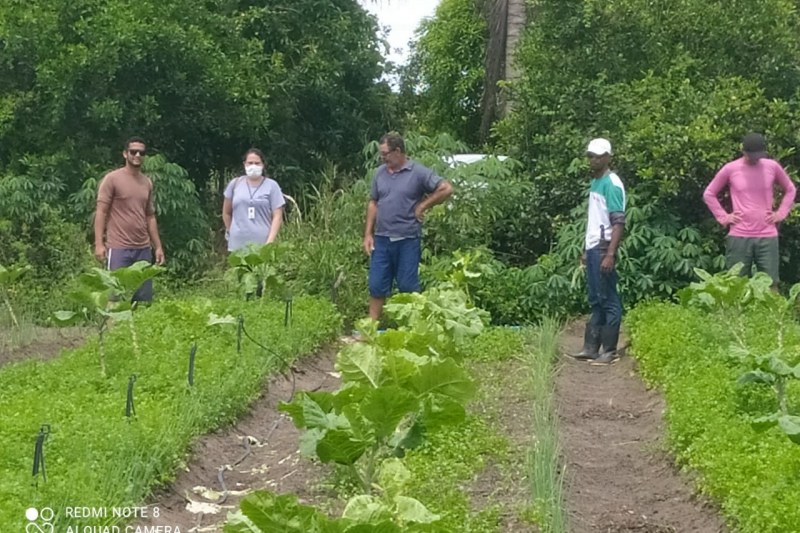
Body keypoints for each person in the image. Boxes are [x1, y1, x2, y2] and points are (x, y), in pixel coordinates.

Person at [363, 133, 454, 320]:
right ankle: (371, 327)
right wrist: (368, 234)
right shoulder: (379, 173)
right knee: (376, 284)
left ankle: (413, 326)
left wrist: (423, 206)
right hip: (381, 239)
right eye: (381, 154)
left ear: (398, 151)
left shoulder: (418, 172)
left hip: (408, 240)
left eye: (385, 154)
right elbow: (373, 202)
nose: (383, 158)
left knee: (407, 286)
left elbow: (446, 188)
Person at [703, 132, 796, 285]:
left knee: (771, 283)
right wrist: (724, 217)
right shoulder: (731, 169)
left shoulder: (772, 166)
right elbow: (709, 193)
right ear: (743, 151)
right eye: (752, 155)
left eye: (758, 155)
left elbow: (790, 189)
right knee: (735, 284)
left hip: (767, 234)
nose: (755, 158)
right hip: (739, 234)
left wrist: (781, 213)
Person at [571, 138, 625, 365]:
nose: (594, 160)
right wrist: (587, 249)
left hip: (604, 247)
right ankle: (591, 347)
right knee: (595, 298)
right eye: (591, 156)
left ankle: (609, 350)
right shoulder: (596, 182)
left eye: (598, 156)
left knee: (609, 299)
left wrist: (610, 254)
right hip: (594, 246)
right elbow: (595, 220)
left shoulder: (611, 184)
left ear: (608, 157)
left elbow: (618, 221)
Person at [94, 137, 165, 302]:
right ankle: (113, 320)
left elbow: (150, 216)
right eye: (133, 152)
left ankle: (137, 320)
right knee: (114, 296)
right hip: (118, 247)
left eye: (141, 152)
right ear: (125, 154)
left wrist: (158, 247)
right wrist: (99, 244)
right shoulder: (112, 179)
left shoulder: (147, 183)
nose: (137, 155)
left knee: (143, 298)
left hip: (143, 248)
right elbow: (101, 211)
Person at [222, 148, 285, 252]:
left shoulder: (272, 186)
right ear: (244, 164)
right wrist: (231, 231)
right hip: (237, 245)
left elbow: (277, 216)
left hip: (263, 244)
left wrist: (270, 242)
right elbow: (226, 213)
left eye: (257, 163)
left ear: (263, 165)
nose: (253, 166)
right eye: (250, 163)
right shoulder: (235, 184)